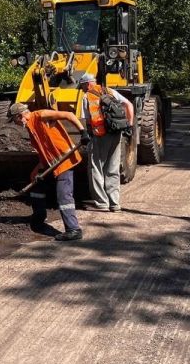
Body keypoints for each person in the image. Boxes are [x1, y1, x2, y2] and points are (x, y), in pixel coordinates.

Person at [8, 102, 88, 241]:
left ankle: (73, 229)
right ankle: (38, 219)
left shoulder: (41, 115)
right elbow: (44, 152)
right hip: (51, 163)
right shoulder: (31, 128)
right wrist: (36, 171)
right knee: (36, 184)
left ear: (20, 116)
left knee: (63, 195)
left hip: (65, 160)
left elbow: (69, 115)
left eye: (14, 121)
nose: (16, 124)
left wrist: (83, 131)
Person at [77, 73, 134, 212]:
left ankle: (102, 203)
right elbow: (129, 104)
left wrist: (85, 135)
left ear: (87, 84)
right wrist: (130, 126)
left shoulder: (87, 97)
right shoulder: (109, 91)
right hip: (116, 132)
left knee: (96, 168)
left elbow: (87, 120)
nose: (82, 89)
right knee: (113, 167)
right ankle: (115, 203)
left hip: (99, 135)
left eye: (83, 86)